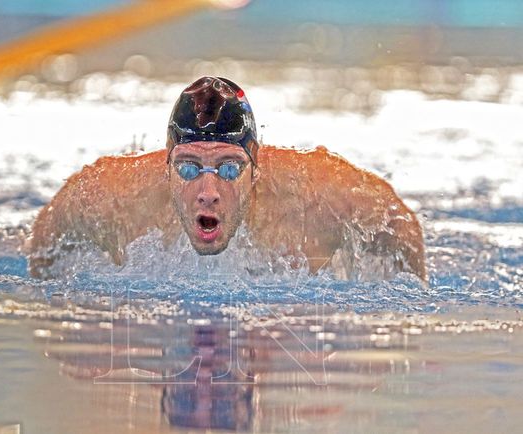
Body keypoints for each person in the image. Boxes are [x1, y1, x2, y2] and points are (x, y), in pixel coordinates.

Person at [29, 76, 426, 281]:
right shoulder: (108, 197)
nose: (207, 193)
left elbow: (401, 228)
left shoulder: (326, 196)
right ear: (166, 166)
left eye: (229, 169)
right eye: (187, 168)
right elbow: (45, 244)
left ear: (256, 166)